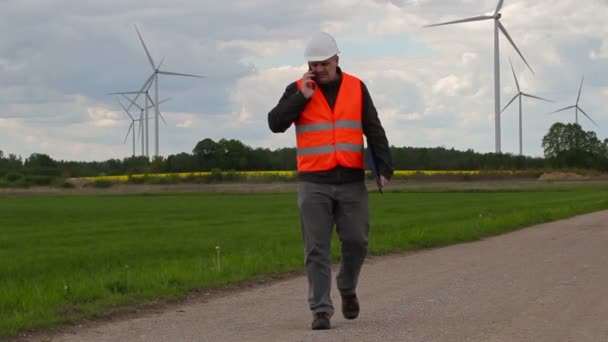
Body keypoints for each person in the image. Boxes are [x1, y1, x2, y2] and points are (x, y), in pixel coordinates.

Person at [267, 31, 393, 330]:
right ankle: (321, 309)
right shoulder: (297, 90)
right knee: (316, 249)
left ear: (337, 59)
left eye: (324, 63)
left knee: (357, 242)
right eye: (314, 64)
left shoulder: (356, 88)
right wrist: (302, 97)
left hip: (351, 180)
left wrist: (384, 168)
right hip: (314, 182)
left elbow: (373, 129)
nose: (319, 69)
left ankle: (347, 286)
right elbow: (275, 123)